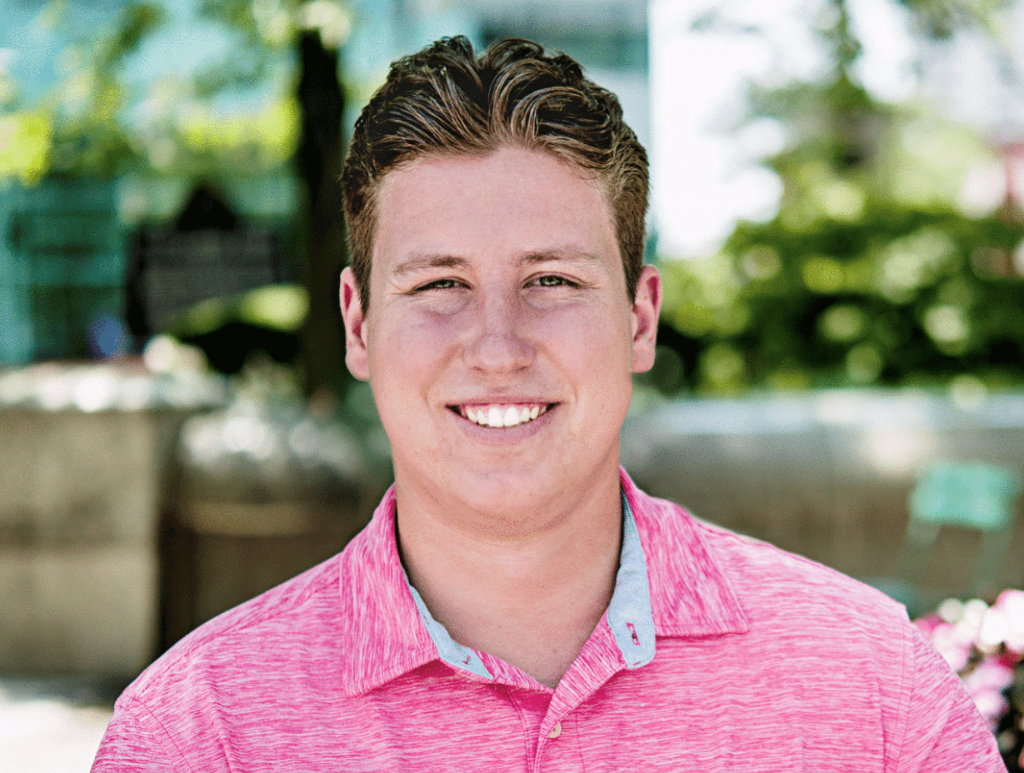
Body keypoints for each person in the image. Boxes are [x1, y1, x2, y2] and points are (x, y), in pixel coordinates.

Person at [93, 36, 1003, 771]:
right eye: (440, 283)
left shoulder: (871, 690)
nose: (496, 346)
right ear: (359, 324)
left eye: (553, 279)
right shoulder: (199, 734)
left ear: (640, 318)